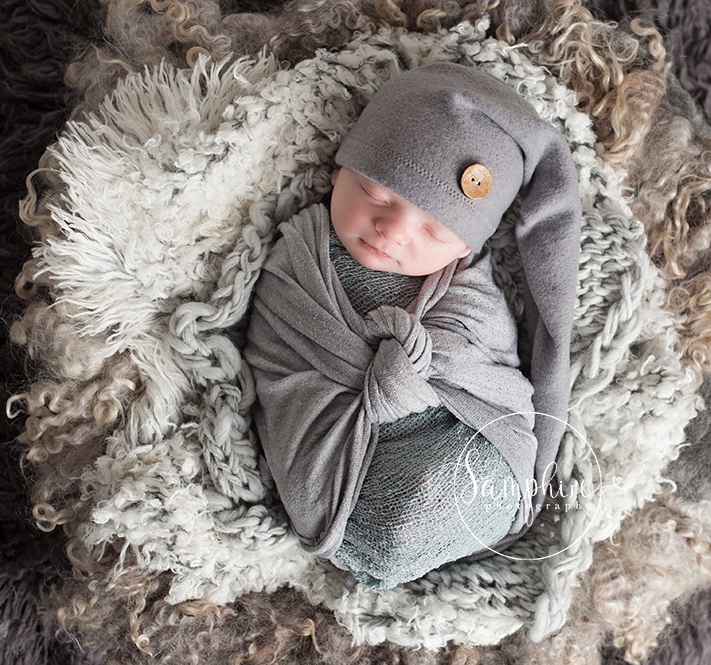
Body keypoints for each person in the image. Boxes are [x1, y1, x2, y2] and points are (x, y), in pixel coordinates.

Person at [243, 62, 582, 588]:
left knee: (472, 477)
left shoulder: (469, 290)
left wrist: (415, 375)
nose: (393, 231)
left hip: (450, 429)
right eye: (376, 193)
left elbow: (491, 374)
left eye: (433, 229)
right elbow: (278, 354)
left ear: (466, 248)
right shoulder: (298, 258)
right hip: (345, 461)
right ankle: (386, 529)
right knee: (397, 511)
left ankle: (432, 522)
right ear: (338, 171)